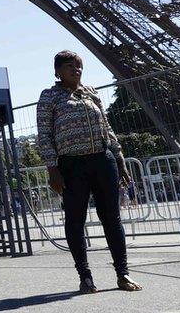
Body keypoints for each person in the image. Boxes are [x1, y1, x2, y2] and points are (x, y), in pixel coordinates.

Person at [37, 50, 143, 294]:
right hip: (71, 165)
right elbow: (45, 135)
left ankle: (123, 273)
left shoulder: (92, 93)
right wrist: (52, 168)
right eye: (69, 66)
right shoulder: (49, 96)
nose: (76, 69)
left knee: (112, 219)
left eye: (79, 65)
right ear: (57, 71)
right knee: (75, 221)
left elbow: (107, 127)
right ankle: (85, 276)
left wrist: (120, 158)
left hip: (102, 160)